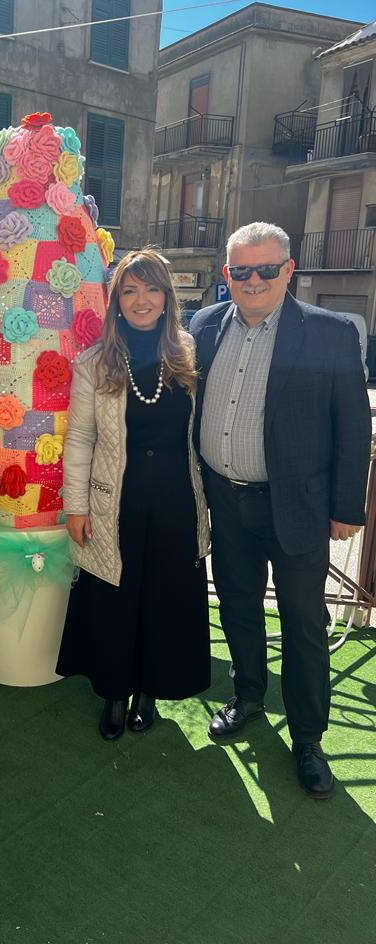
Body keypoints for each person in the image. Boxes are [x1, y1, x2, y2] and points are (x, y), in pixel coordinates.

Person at [191, 221, 371, 799]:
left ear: (288, 270)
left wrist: (347, 507)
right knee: (239, 605)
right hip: (226, 496)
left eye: (266, 269)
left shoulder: (329, 333)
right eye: (240, 270)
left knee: (303, 623)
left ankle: (310, 738)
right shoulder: (203, 326)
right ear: (227, 275)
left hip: (296, 508)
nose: (253, 280)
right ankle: (246, 697)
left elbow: (353, 425)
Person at [57, 249, 211, 739]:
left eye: (150, 289)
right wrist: (75, 506)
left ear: (166, 296)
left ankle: (151, 690)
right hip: (114, 501)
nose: (140, 300)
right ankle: (115, 694)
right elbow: (80, 438)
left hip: (176, 500)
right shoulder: (95, 361)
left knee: (166, 597)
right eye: (129, 290)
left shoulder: (186, 350)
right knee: (116, 598)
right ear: (116, 300)